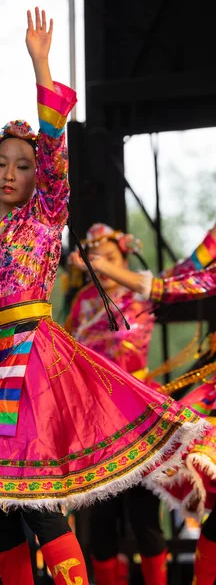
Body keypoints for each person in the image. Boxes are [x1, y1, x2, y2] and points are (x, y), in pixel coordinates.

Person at [0, 8, 210, 585]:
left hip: (32, 364)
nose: (9, 172)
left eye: (22, 166)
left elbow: (52, 152)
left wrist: (42, 64)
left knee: (37, 501)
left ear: (37, 177)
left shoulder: (47, 217)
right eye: (0, 162)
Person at [67, 223, 216, 585]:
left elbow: (190, 269)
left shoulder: (142, 291)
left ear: (124, 257)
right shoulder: (83, 303)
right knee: (100, 524)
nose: (102, 262)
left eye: (110, 257)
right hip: (94, 420)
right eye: (96, 257)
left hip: (139, 416)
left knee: (143, 516)